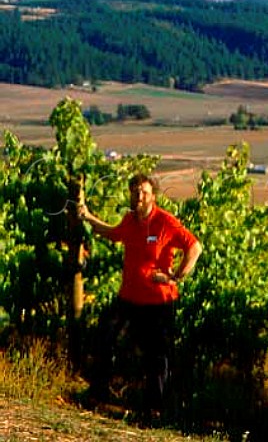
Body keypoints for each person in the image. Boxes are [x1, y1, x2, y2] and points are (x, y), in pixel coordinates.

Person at [78, 173, 202, 419]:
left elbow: (194, 247)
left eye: (144, 192)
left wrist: (176, 276)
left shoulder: (165, 222)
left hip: (159, 302)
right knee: (105, 338)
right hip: (129, 298)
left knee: (157, 356)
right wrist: (88, 217)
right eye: (135, 191)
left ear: (152, 196)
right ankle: (97, 395)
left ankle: (153, 410)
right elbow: (113, 233)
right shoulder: (130, 220)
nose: (139, 196)